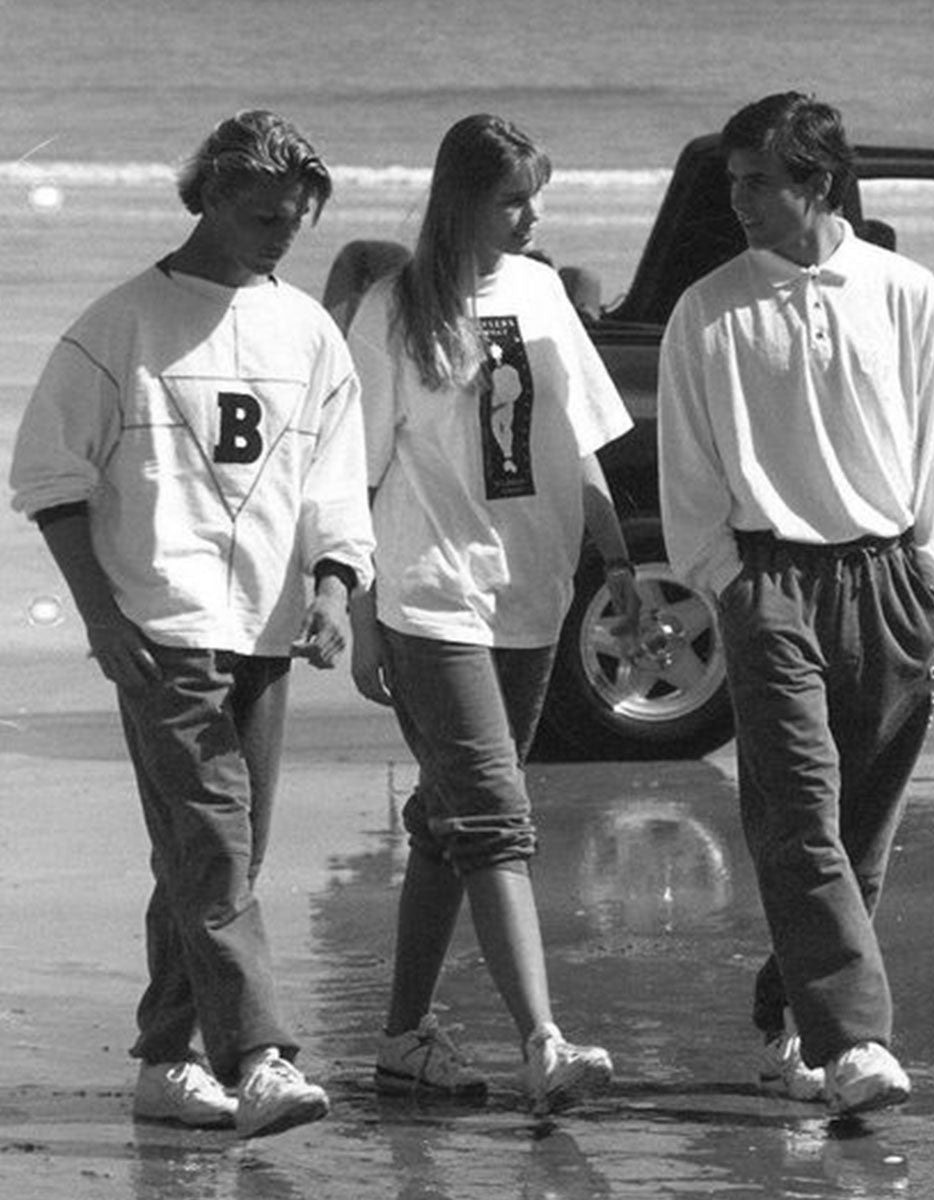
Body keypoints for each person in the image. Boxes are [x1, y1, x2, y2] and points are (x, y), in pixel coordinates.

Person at [9, 110, 376, 1139]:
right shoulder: (120, 324)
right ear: (210, 195)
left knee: (219, 857)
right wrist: (101, 616)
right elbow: (48, 478)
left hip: (266, 625)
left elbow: (334, 478)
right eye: (263, 217)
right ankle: (258, 1059)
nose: (280, 236)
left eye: (295, 221)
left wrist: (334, 588)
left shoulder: (309, 332)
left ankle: (165, 1062)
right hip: (160, 626)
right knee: (212, 845)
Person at [657, 92, 934, 1116]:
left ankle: (789, 1018)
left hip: (890, 581)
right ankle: (855, 1044)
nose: (739, 199)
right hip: (771, 585)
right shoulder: (707, 309)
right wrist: (730, 584)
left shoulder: (904, 291)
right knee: (798, 817)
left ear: (819, 181)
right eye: (733, 181)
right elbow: (688, 471)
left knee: (859, 836)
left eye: (759, 181)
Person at [346, 113, 641, 1115]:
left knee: (449, 821)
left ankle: (403, 1041)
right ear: (462, 200)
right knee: (495, 820)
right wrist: (360, 614)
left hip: (533, 592)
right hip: (432, 594)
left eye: (536, 198)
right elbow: (352, 474)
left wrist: (618, 560)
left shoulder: (542, 291)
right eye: (514, 200)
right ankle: (543, 1044)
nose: (532, 217)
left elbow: (579, 438)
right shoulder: (392, 310)